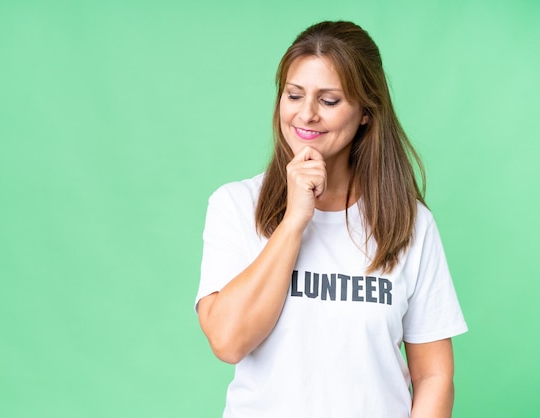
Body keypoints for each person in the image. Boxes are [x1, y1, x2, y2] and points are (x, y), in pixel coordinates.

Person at [195, 20, 467, 418]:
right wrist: (293, 222)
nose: (306, 115)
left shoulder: (408, 223)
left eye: (329, 100)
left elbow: (434, 377)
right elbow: (227, 340)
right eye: (294, 95)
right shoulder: (235, 206)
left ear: (365, 114)